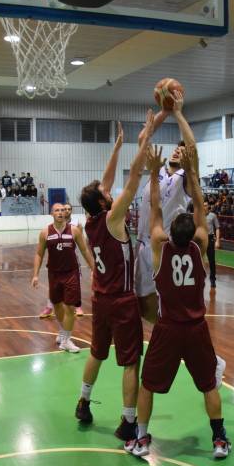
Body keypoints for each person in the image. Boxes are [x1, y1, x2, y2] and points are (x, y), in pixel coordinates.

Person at [126, 144, 231, 459]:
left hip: (168, 329)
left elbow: (155, 207)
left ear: (170, 230)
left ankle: (142, 439)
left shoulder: (159, 248)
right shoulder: (201, 247)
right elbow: (199, 203)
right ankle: (220, 439)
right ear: (198, 231)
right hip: (196, 328)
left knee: (148, 385)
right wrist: (194, 176)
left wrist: (155, 173)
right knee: (209, 386)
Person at [75, 113, 154, 442]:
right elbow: (135, 177)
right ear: (104, 202)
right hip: (121, 302)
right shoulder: (113, 217)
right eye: (105, 192)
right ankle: (127, 421)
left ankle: (83, 400)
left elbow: (104, 184)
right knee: (130, 361)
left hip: (100, 298)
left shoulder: (92, 219)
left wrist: (116, 148)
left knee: (97, 352)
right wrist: (144, 141)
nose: (108, 190)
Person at [135, 90, 194, 324]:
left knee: (172, 301)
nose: (178, 149)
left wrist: (178, 114)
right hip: (143, 243)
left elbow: (191, 146)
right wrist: (164, 112)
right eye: (176, 147)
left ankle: (190, 345)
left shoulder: (186, 177)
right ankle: (170, 337)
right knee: (143, 304)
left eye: (183, 149)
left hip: (166, 246)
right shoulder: (157, 168)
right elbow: (142, 140)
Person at [31, 203, 95, 352]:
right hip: (53, 274)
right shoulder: (45, 232)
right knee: (57, 305)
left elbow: (85, 251)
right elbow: (39, 254)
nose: (60, 213)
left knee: (71, 307)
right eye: (57, 211)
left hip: (71, 273)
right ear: (51, 214)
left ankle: (66, 339)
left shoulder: (74, 231)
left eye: (62, 210)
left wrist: (94, 269)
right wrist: (35, 275)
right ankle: (63, 331)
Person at [205, 201, 220, 288]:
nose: (204, 207)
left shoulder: (213, 215)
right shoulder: (198, 215)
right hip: (201, 239)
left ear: (208, 207)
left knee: (212, 261)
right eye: (203, 205)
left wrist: (217, 241)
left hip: (210, 239)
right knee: (198, 260)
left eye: (206, 205)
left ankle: (212, 279)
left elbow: (217, 228)